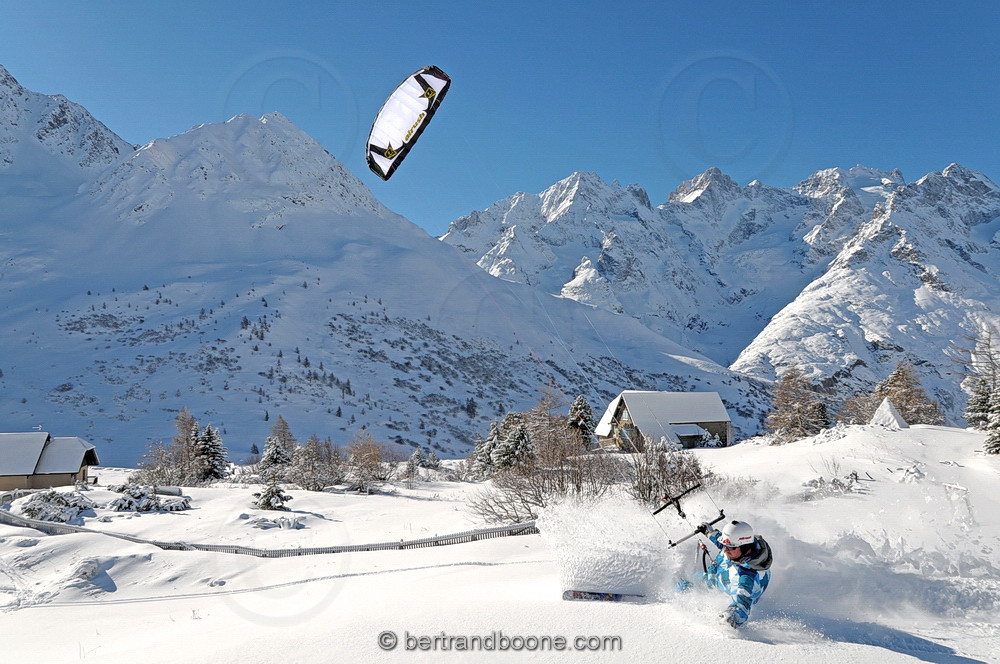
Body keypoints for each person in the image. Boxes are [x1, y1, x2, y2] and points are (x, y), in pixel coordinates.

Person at [677, 519, 772, 628]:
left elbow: (742, 604)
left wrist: (731, 616)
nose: (725, 550)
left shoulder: (746, 578)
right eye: (725, 545)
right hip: (714, 575)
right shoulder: (740, 547)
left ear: (745, 548)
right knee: (685, 579)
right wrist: (710, 533)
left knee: (681, 587)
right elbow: (723, 542)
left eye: (730, 547)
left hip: (714, 586)